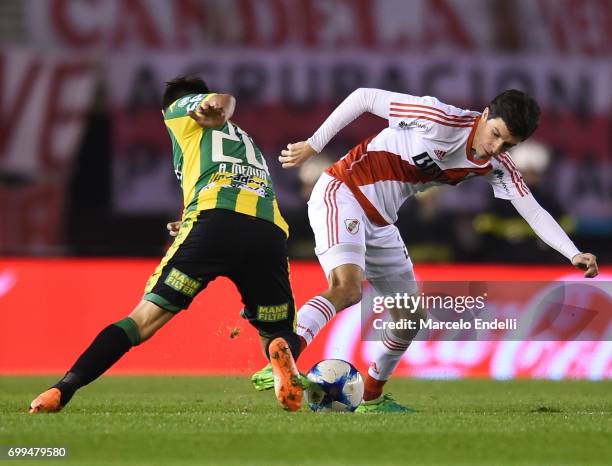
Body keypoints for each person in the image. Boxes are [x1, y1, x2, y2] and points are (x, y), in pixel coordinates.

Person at [251, 87, 599, 412]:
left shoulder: (497, 166)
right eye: (495, 134)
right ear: (485, 113)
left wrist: (572, 253)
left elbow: (532, 209)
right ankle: (283, 356)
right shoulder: (437, 117)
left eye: (507, 145)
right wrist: (313, 144)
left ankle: (371, 397)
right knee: (348, 288)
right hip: (343, 191)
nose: (495, 148)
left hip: (382, 222)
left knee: (411, 318)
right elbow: (364, 97)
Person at [29, 76, 304, 413]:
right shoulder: (243, 140)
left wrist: (220, 106)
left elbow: (221, 99)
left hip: (214, 222)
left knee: (142, 320)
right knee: (276, 331)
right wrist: (188, 217)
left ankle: (62, 390)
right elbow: (234, 183)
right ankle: (278, 348)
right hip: (268, 231)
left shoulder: (183, 110)